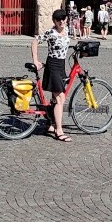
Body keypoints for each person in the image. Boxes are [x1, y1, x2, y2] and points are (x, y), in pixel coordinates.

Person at [31, 10, 73, 143]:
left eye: (63, 19)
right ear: (54, 21)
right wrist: (36, 60)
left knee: (56, 98)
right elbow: (35, 41)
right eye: (58, 20)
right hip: (53, 66)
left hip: (61, 66)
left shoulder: (67, 30)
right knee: (60, 98)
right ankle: (59, 130)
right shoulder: (51, 32)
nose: (61, 22)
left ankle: (50, 124)